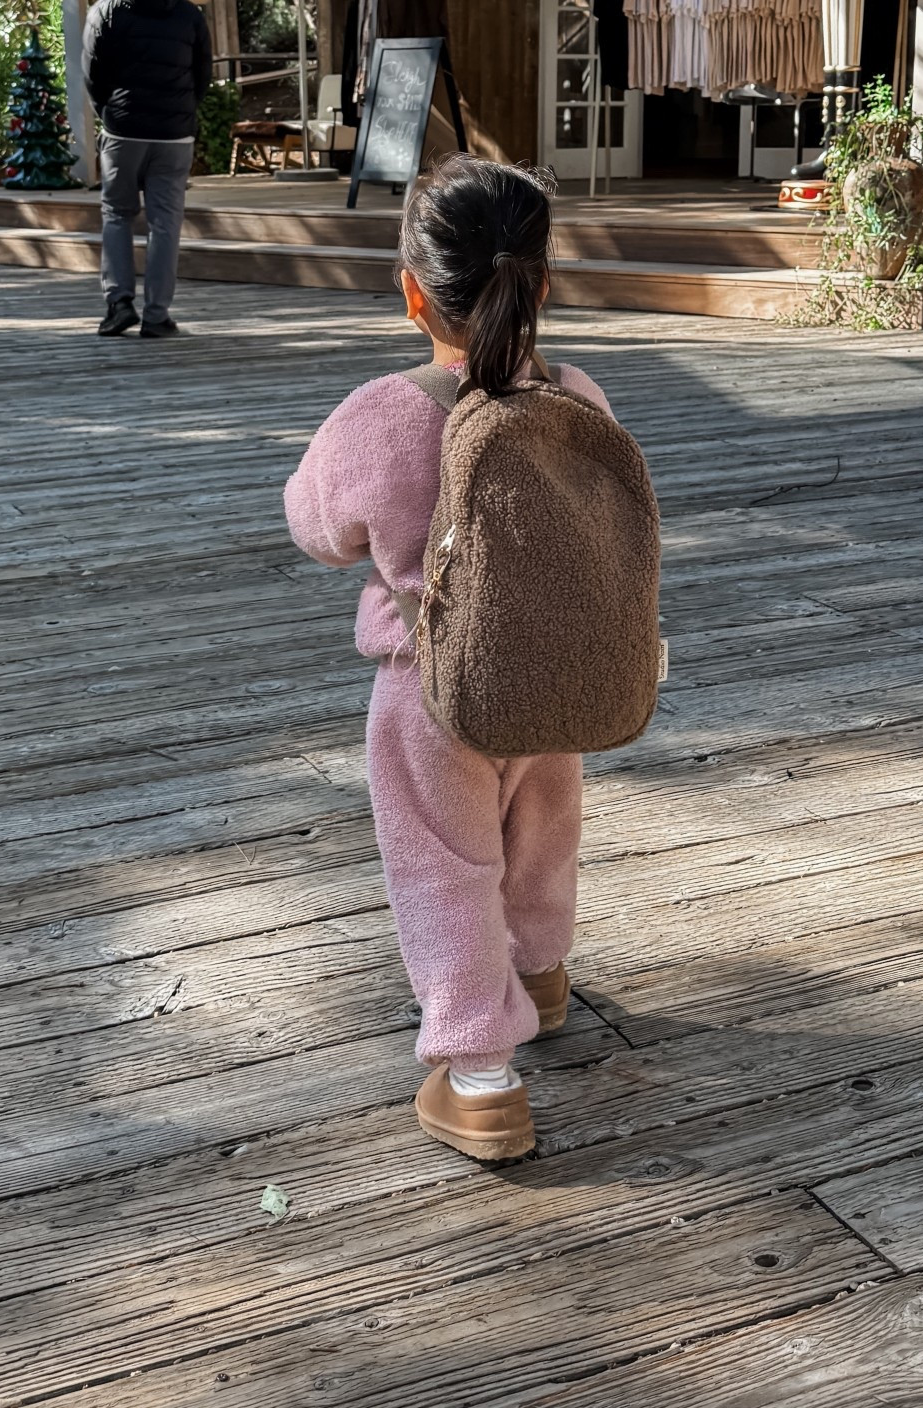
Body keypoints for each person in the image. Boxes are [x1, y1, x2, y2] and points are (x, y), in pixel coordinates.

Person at [284, 156, 613, 1163]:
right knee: (542, 829)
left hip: (435, 693)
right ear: (544, 283)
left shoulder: (385, 413)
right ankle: (541, 974)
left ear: (414, 289)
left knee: (445, 868)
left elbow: (319, 527)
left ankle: (479, 1076)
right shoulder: (578, 394)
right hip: (555, 681)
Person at [82, 0, 211, 338]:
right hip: (174, 135)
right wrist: (182, 113)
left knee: (117, 214)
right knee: (166, 223)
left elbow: (92, 75)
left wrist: (111, 112)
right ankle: (157, 314)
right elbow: (202, 77)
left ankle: (118, 303)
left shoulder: (105, 10)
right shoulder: (188, 14)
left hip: (123, 131)